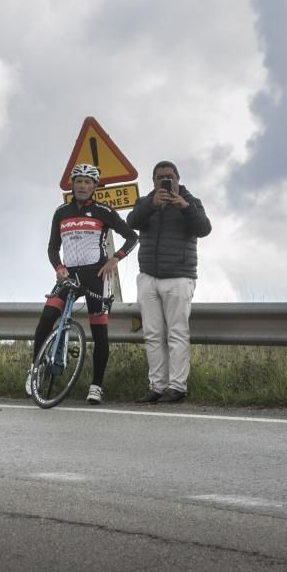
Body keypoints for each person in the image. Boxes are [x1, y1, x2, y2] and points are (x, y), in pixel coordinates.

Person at [27, 164, 139, 405]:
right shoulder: (61, 212)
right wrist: (58, 268)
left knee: (99, 332)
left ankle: (96, 386)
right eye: (78, 181)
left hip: (96, 276)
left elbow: (132, 236)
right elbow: (52, 247)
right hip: (69, 275)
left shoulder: (103, 210)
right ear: (72, 185)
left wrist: (115, 258)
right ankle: (34, 371)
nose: (82, 186)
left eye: (88, 182)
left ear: (94, 187)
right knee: (47, 319)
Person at [126, 161, 212, 404]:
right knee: (153, 335)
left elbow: (204, 228)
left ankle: (177, 387)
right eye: (160, 177)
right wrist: (152, 206)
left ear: (178, 179)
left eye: (170, 177)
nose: (166, 181)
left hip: (179, 277)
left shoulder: (191, 201)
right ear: (153, 181)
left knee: (177, 333)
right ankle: (157, 386)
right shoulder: (146, 202)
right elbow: (131, 223)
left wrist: (184, 207)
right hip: (148, 277)